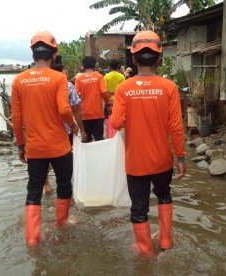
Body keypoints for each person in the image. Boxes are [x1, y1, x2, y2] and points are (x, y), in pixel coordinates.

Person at [110, 30, 186, 254]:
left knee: (139, 207)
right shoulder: (169, 87)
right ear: (158, 59)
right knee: (164, 195)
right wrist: (180, 156)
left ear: (133, 59)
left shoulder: (124, 88)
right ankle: (165, 242)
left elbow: (115, 123)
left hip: (136, 163)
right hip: (162, 160)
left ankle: (145, 252)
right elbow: (176, 127)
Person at [11, 31, 79, 246]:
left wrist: (21, 144)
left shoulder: (19, 80)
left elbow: (17, 118)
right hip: (59, 146)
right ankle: (62, 223)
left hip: (35, 147)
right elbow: (64, 109)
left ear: (33, 54)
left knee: (34, 189)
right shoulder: (59, 78)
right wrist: (74, 127)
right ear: (54, 55)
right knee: (64, 184)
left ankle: (32, 238)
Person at [43, 59, 88, 195]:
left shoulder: (40, 85)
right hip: (64, 129)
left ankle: (46, 184)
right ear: (61, 70)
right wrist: (81, 129)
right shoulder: (67, 86)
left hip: (44, 129)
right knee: (64, 159)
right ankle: (65, 186)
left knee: (46, 159)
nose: (66, 72)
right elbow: (75, 109)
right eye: (64, 70)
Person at [75, 56, 110, 142]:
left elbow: (75, 96)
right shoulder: (99, 76)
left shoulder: (79, 78)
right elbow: (104, 91)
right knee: (99, 139)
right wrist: (107, 102)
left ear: (83, 66)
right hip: (98, 113)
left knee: (86, 140)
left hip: (84, 114)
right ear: (94, 65)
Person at [104, 59, 125, 138]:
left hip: (109, 99)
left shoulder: (106, 76)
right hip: (119, 99)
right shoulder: (121, 76)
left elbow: (105, 90)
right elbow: (123, 89)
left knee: (108, 117)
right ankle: (117, 135)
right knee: (118, 117)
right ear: (118, 66)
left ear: (109, 66)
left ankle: (110, 135)